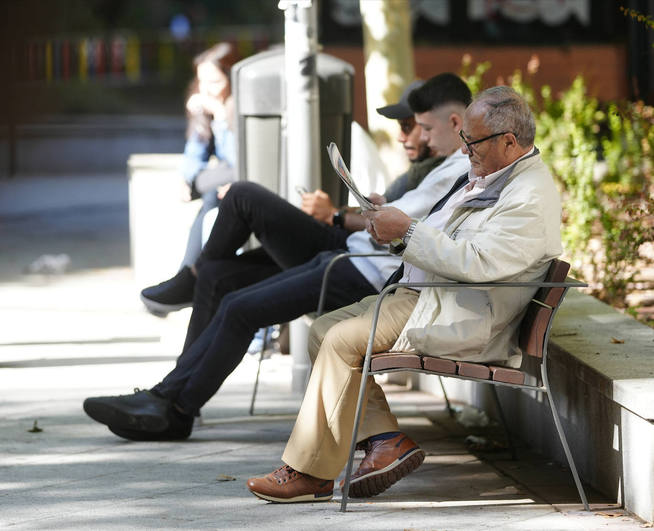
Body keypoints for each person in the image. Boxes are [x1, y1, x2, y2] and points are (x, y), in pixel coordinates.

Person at [82, 73, 472, 442]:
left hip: (363, 273)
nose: (419, 136)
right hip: (353, 262)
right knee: (222, 279)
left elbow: (399, 228)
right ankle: (168, 397)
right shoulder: (452, 167)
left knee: (239, 270)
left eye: (424, 128)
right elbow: (406, 220)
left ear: (456, 123)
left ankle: (175, 407)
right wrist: (375, 211)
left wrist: (350, 214)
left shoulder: (459, 168)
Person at [246, 86, 563, 504]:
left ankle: (310, 473)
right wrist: (395, 234)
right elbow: (449, 239)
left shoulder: (527, 195)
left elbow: (480, 263)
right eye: (465, 139)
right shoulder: (495, 174)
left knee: (341, 341)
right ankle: (386, 442)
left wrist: (407, 232)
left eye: (473, 141)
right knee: (324, 330)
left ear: (508, 140)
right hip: (431, 295)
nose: (465, 150)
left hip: (464, 313)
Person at [139, 79, 438, 321]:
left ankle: (192, 274)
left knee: (243, 195)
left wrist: (335, 214)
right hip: (345, 248)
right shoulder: (418, 172)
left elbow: (400, 231)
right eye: (404, 126)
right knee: (216, 274)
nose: (402, 137)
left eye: (410, 126)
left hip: (352, 259)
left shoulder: (445, 176)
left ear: (443, 125)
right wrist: (349, 209)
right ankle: (168, 393)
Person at [141, 42, 237, 315]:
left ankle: (186, 278)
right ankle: (186, 277)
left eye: (215, 81)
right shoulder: (201, 102)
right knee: (207, 192)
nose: (207, 88)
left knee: (210, 190)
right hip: (218, 182)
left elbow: (239, 158)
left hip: (240, 176)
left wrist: (221, 118)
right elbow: (195, 151)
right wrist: (187, 177)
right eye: (202, 80)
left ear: (231, 79)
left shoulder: (236, 107)